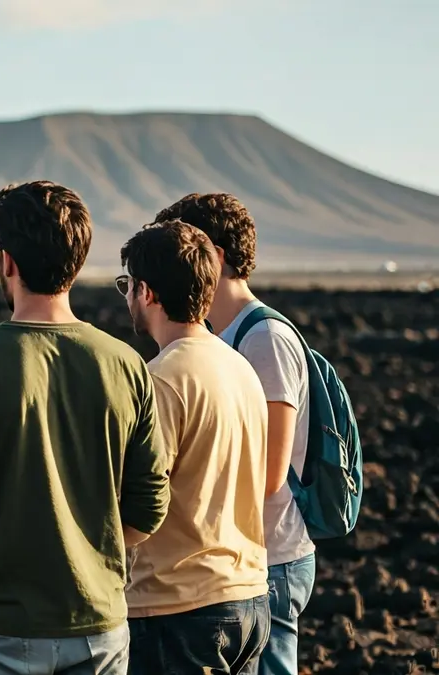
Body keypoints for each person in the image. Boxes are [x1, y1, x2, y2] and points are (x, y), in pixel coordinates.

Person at [0, 180, 172, 675]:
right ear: (76, 263)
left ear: (7, 262)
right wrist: (88, 554)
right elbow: (150, 503)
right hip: (98, 624)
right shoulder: (125, 364)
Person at [154, 193, 316, 675]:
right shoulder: (221, 336)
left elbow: (268, 473)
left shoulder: (264, 338)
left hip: (270, 560)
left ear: (216, 256)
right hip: (237, 561)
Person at [117, 220, 272, 673]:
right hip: (248, 593)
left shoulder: (162, 378)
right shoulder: (239, 367)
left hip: (178, 606)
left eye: (127, 284)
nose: (126, 296)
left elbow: (144, 498)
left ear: (146, 292)